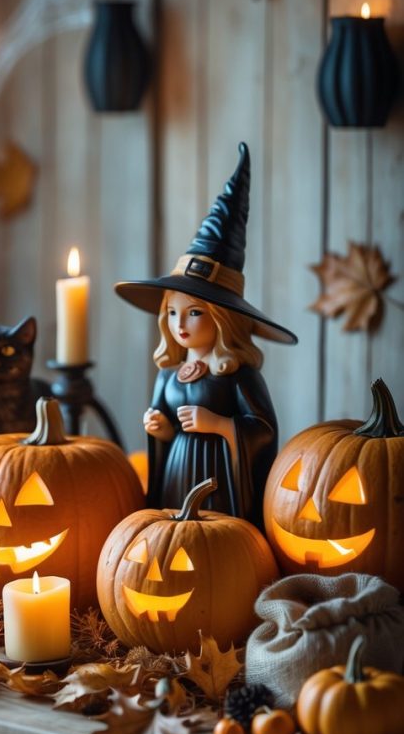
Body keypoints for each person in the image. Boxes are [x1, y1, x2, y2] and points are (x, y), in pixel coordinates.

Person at [115, 143, 297, 528]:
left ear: (222, 319)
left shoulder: (239, 377)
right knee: (173, 533)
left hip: (220, 483)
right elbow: (164, 427)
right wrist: (161, 431)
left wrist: (219, 425)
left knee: (213, 544)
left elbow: (263, 430)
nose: (181, 323)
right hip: (177, 474)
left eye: (195, 312)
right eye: (173, 312)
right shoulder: (167, 376)